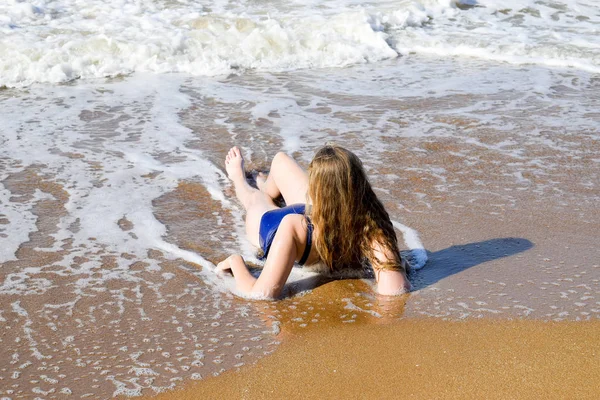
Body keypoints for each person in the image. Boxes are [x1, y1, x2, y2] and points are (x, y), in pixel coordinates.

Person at [216, 144, 411, 298]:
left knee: (254, 199)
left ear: (317, 190)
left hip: (276, 225)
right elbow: (394, 288)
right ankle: (262, 183)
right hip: (311, 219)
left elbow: (260, 293)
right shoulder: (373, 228)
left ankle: (239, 179)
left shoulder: (292, 226)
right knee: (280, 160)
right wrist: (396, 262)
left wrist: (236, 263)